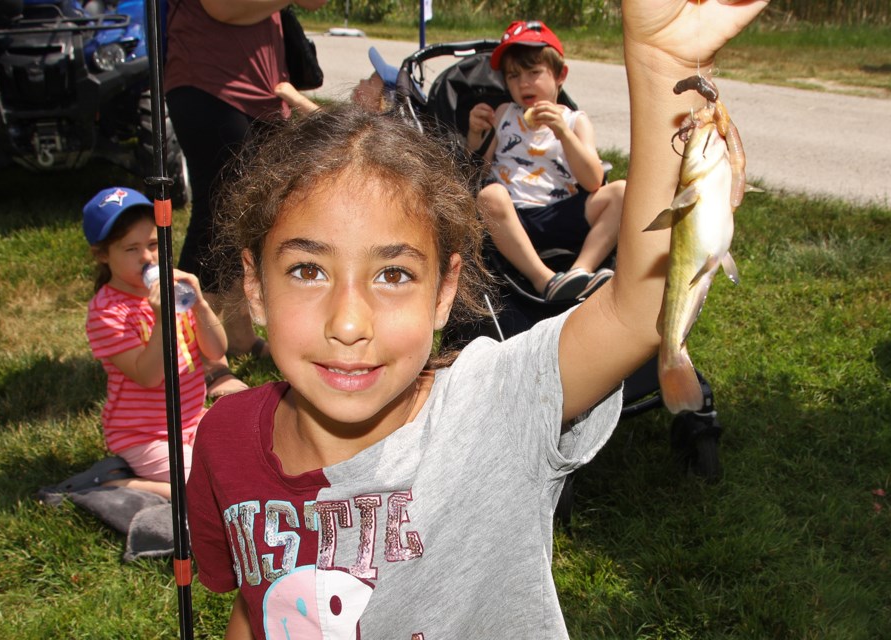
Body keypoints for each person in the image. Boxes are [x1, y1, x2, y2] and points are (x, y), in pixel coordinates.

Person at [185, 0, 768, 636]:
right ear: (255, 287)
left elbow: (637, 307)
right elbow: (254, 603)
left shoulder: (497, 406)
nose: (348, 322)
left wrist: (666, 66)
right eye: (307, 270)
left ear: (445, 294)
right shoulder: (224, 439)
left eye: (393, 274)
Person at [164, 0, 327, 397]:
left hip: (265, 88)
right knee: (215, 214)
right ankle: (199, 355)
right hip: (207, 81)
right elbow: (222, 8)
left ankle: (236, 333)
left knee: (255, 218)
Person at [82, 186, 227, 499]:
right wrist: (162, 319)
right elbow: (147, 376)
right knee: (205, 491)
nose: (147, 257)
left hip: (191, 418)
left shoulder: (173, 287)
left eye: (151, 244)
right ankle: (118, 485)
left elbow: (216, 351)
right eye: (130, 249)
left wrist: (200, 303)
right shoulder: (107, 312)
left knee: (243, 461)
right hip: (143, 434)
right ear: (103, 255)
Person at [467, 20, 626, 302]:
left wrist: (564, 134)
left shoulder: (575, 121)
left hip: (561, 211)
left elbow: (593, 181)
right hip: (514, 219)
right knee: (490, 195)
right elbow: (479, 169)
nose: (523, 83)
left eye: (533, 72)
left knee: (622, 193)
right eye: (513, 76)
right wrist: (475, 134)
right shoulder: (504, 113)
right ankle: (544, 280)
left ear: (560, 75)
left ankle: (581, 271)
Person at [275, 46, 410, 114]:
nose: (362, 81)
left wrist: (295, 98)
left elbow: (326, 121)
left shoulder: (375, 132)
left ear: (382, 103)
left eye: (370, 81)